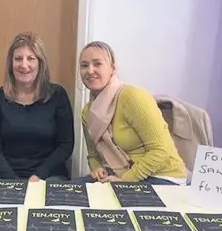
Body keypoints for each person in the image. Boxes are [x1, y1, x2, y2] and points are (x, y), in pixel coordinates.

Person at [76, 41, 187, 185]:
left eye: (97, 64)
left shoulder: (132, 96)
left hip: (162, 177)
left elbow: (161, 150)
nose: (90, 70)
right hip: (116, 176)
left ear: (113, 69)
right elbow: (93, 155)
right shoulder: (87, 112)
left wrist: (124, 180)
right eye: (84, 65)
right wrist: (97, 168)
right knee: (63, 192)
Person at [0, 31, 74, 181]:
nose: (24, 65)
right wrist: (15, 182)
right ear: (11, 63)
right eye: (18, 58)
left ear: (40, 63)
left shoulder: (57, 95)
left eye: (31, 58)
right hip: (4, 177)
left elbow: (65, 145)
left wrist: (39, 175)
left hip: (49, 175)